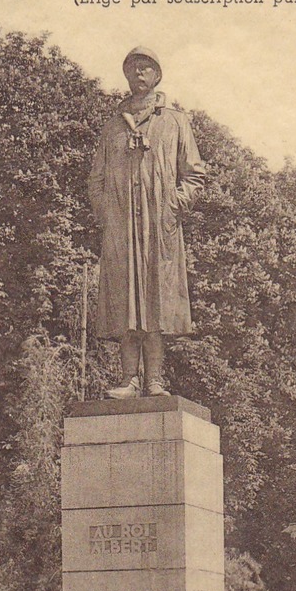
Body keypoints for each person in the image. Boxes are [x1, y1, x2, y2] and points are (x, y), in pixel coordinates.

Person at [88, 47, 206, 399]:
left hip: (159, 228)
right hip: (122, 229)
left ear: (157, 75)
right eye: (132, 68)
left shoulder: (175, 121)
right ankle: (128, 379)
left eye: (146, 68)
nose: (138, 73)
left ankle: (154, 379)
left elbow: (195, 175)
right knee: (125, 302)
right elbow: (96, 179)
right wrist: (107, 214)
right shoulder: (112, 126)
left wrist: (173, 205)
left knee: (155, 301)